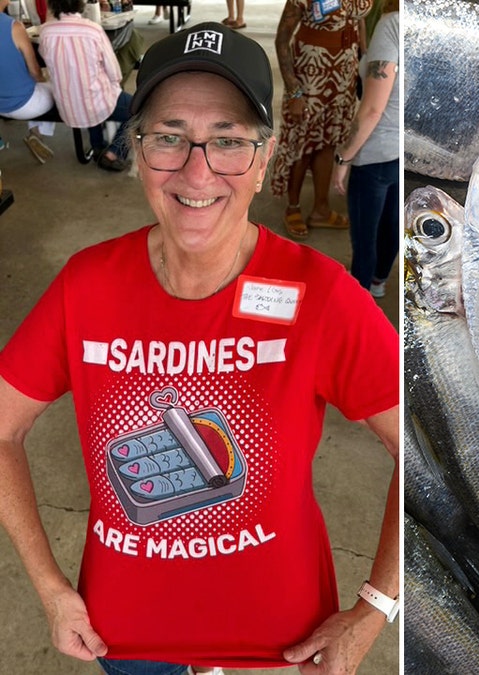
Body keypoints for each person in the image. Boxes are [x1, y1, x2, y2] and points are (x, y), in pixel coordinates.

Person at [0, 21, 399, 675]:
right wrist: (50, 589)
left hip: (277, 646)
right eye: (169, 138)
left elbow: (420, 452)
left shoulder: (319, 293)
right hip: (126, 641)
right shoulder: (86, 285)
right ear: (136, 148)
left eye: (228, 142)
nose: (197, 170)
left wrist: (376, 606)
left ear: (265, 158)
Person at [272, 0, 372, 240]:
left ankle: (321, 208)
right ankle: (293, 206)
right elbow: (282, 40)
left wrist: (365, 60)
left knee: (328, 140)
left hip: (343, 74)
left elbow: (359, 21)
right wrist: (294, 91)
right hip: (311, 75)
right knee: (303, 143)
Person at [332, 0, 398, 298]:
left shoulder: (392, 24)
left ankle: (358, 301)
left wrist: (344, 156)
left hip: (375, 151)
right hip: (406, 151)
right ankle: (379, 281)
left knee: (365, 236)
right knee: (392, 226)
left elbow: (372, 109)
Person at [38, 0, 132, 171]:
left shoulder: (45, 31)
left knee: (82, 89)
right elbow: (115, 73)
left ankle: (97, 145)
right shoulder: (92, 29)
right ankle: (114, 153)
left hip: (68, 106)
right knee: (139, 111)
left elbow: (48, 60)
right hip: (96, 101)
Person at [0, 0, 55, 163]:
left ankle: (35, 134)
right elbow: (35, 71)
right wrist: (44, 81)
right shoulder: (14, 27)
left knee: (35, 87)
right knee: (53, 87)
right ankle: (36, 134)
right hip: (24, 105)